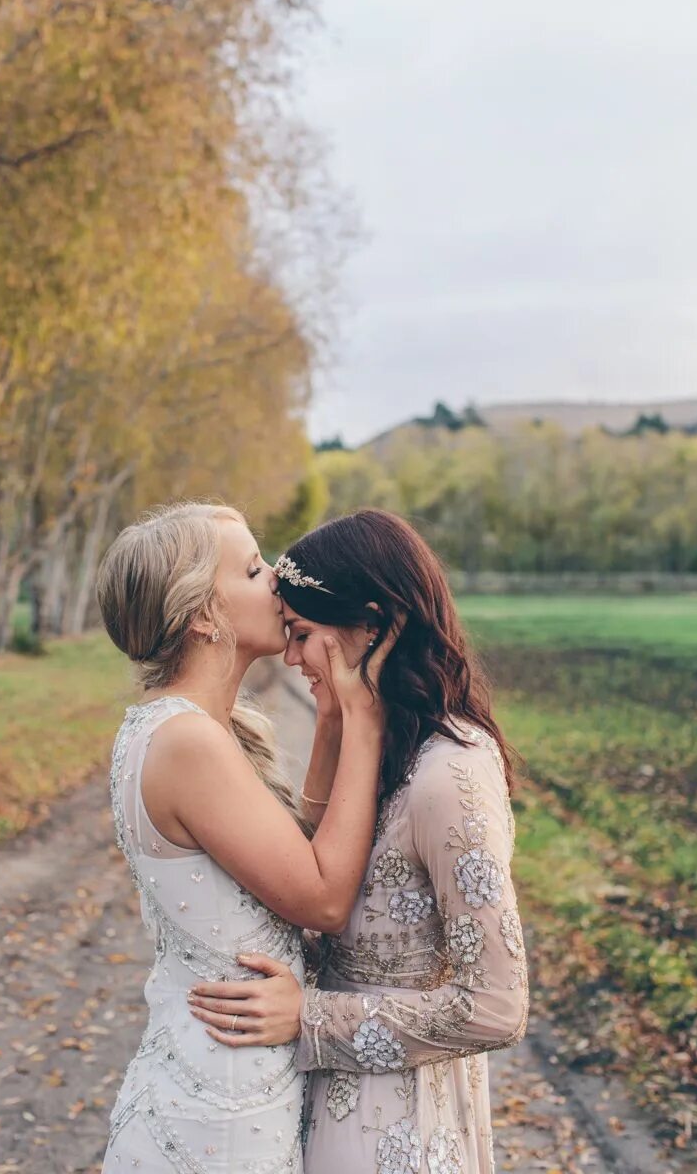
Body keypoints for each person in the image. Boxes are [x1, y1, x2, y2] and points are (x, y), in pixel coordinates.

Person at [187, 509, 529, 1174]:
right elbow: (316, 869)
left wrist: (311, 1017)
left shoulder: (449, 776)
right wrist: (334, 723)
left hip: (397, 1127)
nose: (289, 657)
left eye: (303, 634)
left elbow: (497, 1007)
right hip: (325, 1107)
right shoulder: (387, 747)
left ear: (371, 624)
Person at [95, 502, 396, 1173]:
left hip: (224, 1083)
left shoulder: (186, 727)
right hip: (217, 1115)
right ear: (204, 614)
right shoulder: (187, 742)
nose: (279, 583)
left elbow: (305, 855)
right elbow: (321, 899)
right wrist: (365, 718)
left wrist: (327, 724)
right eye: (257, 569)